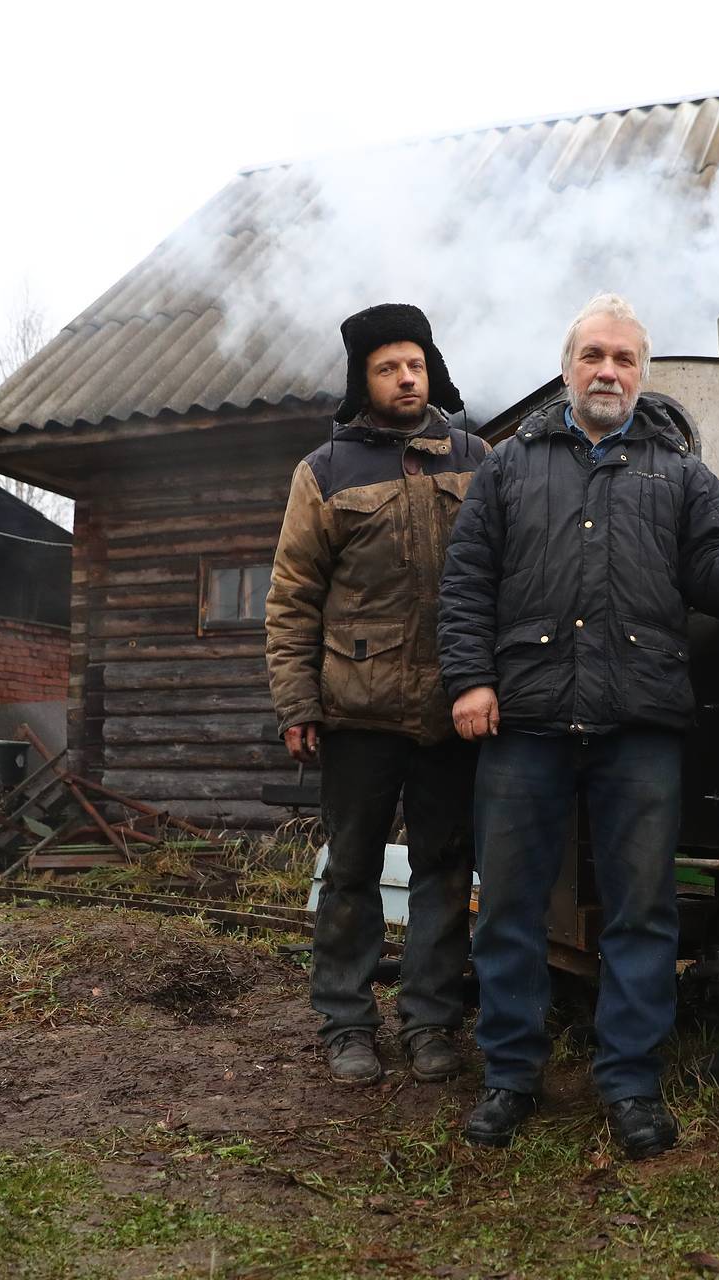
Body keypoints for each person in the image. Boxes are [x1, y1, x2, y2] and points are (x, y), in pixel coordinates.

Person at [437, 293, 719, 1156]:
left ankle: (630, 1085)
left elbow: (716, 568)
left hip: (639, 723)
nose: (608, 371)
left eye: (623, 358)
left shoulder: (681, 476)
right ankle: (509, 1077)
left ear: (641, 372)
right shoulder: (509, 469)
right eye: (593, 356)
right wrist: (470, 680)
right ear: (568, 365)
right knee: (507, 906)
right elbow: (466, 582)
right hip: (526, 719)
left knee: (642, 913)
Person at [265, 303, 489, 1086]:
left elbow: (504, 573)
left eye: (416, 364)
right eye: (389, 366)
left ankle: (430, 1022)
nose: (405, 378)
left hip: (453, 708)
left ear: (432, 371)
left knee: (444, 868)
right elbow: (293, 596)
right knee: (353, 868)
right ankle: (346, 1023)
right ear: (364, 379)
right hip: (355, 708)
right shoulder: (324, 471)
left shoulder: (476, 456)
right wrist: (297, 703)